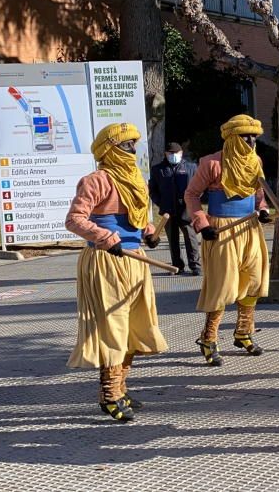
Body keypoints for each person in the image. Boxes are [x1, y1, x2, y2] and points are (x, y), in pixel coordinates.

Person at [65, 123, 168, 422]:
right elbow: (74, 220)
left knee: (134, 326)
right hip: (106, 261)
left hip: (136, 259)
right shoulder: (95, 180)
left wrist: (148, 231)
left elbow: (136, 216)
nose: (132, 151)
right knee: (113, 326)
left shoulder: (136, 178)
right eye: (126, 146)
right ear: (110, 149)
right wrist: (106, 238)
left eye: (134, 145)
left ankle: (120, 388)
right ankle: (109, 393)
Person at [184, 115, 272, 366]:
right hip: (221, 229)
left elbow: (259, 193)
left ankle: (244, 331)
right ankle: (208, 338)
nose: (251, 141)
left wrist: (263, 209)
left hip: (250, 228)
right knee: (223, 286)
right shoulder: (211, 163)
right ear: (233, 138)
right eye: (246, 136)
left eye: (254, 136)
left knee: (254, 280)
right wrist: (202, 224)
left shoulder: (256, 161)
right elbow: (191, 195)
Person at [149, 141, 201, 275]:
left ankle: (195, 265)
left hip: (186, 210)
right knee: (173, 240)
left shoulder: (191, 167)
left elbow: (199, 187)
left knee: (191, 238)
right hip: (168, 210)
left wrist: (193, 201)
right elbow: (152, 190)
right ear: (165, 154)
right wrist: (161, 203)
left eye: (176, 153)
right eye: (170, 153)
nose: (173, 155)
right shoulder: (157, 169)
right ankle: (177, 265)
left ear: (181, 153)